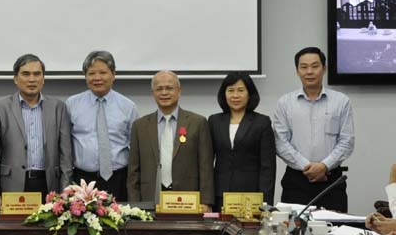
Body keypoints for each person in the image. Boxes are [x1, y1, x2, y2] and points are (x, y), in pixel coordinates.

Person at [273, 47, 354, 212]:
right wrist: (307, 167)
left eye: (315, 66)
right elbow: (280, 142)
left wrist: (324, 166)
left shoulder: (341, 101)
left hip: (331, 180)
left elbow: (347, 141)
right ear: (297, 71)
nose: (309, 71)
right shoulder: (285, 103)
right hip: (296, 181)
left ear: (324, 69)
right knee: (294, 227)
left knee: (335, 226)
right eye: (304, 67)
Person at [0, 54, 72, 205]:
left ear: (43, 79)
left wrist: (66, 191)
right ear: (15, 79)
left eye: (37, 74)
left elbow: (66, 156)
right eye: (25, 74)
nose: (32, 79)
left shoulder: (58, 107)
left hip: (49, 184)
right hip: (12, 184)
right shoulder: (0, 107)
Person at [127, 71, 214, 210]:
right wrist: (134, 204)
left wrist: (206, 201)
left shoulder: (197, 123)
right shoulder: (140, 126)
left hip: (189, 199)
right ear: (153, 93)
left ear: (179, 91)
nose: (164, 93)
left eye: (169, 88)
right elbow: (133, 171)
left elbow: (206, 167)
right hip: (150, 198)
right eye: (159, 89)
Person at [66, 50, 138, 202]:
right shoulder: (72, 105)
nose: (97, 78)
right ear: (85, 76)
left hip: (118, 178)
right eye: (91, 73)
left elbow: (135, 146)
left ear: (113, 74)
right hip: (82, 180)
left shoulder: (128, 106)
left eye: (103, 73)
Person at [208, 72, 275, 211]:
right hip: (219, 196)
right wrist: (206, 199)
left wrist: (265, 203)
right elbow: (207, 162)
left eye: (240, 90)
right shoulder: (214, 121)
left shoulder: (262, 122)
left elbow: (267, 167)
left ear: (249, 94)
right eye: (230, 90)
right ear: (224, 94)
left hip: (251, 197)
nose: (235, 95)